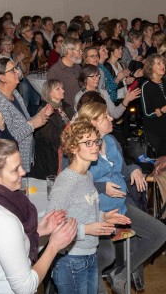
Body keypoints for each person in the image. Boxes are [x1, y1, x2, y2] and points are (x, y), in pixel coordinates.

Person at [0, 136, 77, 293]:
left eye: (21, 165)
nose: (23, 172)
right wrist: (53, 246)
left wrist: (38, 231)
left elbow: (0, 246)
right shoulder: (1, 221)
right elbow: (25, 287)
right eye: (15, 169)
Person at [79, 102, 166, 293]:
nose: (111, 118)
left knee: (160, 233)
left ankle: (121, 273)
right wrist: (102, 187)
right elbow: (75, 182)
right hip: (97, 213)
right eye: (105, 117)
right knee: (106, 255)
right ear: (93, 122)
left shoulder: (111, 141)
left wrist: (134, 170)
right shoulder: (80, 148)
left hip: (121, 207)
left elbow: (122, 169)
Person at [47, 119, 130, 294]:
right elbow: (52, 226)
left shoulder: (87, 176)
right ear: (74, 148)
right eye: (88, 143)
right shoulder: (66, 181)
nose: (95, 147)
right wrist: (87, 229)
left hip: (90, 254)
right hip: (70, 259)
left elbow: (82, 211)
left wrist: (104, 217)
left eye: (96, 141)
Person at [0, 58, 53, 172]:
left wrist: (39, 115)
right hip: (11, 164)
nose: (18, 72)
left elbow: (24, 122)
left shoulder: (14, 92)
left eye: (16, 68)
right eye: (13, 70)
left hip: (24, 157)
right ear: (2, 78)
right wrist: (33, 124)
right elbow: (7, 139)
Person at [140, 54, 166, 157]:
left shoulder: (164, 81)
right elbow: (147, 113)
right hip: (154, 132)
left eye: (163, 62)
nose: (162, 65)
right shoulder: (146, 86)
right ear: (151, 67)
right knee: (154, 164)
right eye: (158, 63)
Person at [32, 79, 74, 179]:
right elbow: (52, 138)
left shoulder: (66, 107)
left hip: (68, 147)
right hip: (51, 156)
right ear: (49, 93)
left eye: (62, 88)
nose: (63, 91)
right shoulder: (44, 111)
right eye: (58, 89)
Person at [47, 37, 83, 108]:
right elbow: (51, 99)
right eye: (79, 50)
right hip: (69, 113)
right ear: (69, 51)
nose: (82, 52)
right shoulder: (54, 71)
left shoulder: (77, 67)